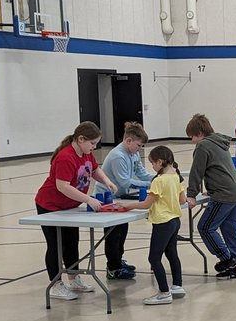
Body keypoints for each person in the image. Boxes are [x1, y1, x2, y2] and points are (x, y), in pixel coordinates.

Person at [34, 122, 119, 301]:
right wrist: (88, 199)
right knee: (56, 245)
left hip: (69, 206)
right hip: (50, 205)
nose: (94, 147)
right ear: (80, 139)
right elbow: (62, 186)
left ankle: (74, 279)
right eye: (92, 143)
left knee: (72, 242)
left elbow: (94, 169)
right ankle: (55, 284)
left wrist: (106, 181)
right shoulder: (65, 157)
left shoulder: (86, 153)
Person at [184, 113, 236, 279]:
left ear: (199, 133)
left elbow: (196, 172)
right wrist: (212, 188)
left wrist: (191, 195)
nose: (192, 141)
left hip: (224, 194)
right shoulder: (219, 142)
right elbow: (217, 169)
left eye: (192, 136)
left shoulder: (203, 145)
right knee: (231, 229)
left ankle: (228, 260)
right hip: (235, 191)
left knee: (205, 227)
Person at [123, 145, 186, 305]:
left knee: (154, 258)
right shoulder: (176, 176)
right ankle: (177, 286)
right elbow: (182, 200)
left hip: (163, 222)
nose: (152, 166)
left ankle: (164, 293)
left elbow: (146, 204)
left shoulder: (159, 180)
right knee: (172, 253)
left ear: (160, 162)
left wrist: (127, 206)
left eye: (152, 163)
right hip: (175, 220)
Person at [99, 121, 156, 281]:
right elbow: (124, 182)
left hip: (120, 197)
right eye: (138, 145)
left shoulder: (133, 154)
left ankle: (119, 259)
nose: (140, 149)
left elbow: (142, 173)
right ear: (129, 140)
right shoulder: (118, 156)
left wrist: (158, 178)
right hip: (108, 198)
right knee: (113, 234)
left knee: (122, 230)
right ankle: (113, 267)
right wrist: (151, 184)